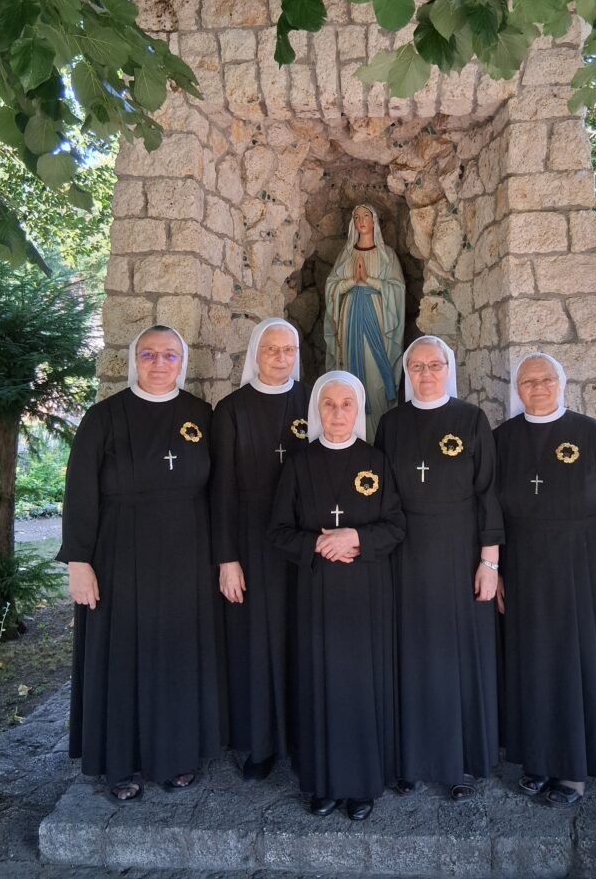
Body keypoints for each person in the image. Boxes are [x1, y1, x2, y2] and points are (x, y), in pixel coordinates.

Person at [57, 325, 223, 803]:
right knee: (122, 655)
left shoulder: (200, 415)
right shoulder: (104, 417)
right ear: (134, 360)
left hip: (188, 557)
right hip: (119, 557)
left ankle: (175, 756)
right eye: (148, 354)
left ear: (182, 362)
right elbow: (79, 492)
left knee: (177, 653)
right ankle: (120, 763)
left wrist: (222, 557)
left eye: (169, 355)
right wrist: (78, 562)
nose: (158, 363)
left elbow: (219, 489)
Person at [494, 352, 596, 807]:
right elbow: (488, 512)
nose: (538, 388)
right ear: (517, 389)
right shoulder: (502, 439)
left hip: (585, 570)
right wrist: (495, 568)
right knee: (532, 664)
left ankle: (574, 767)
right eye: (528, 381)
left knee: (574, 665)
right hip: (524, 570)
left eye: (547, 379)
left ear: (561, 384)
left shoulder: (590, 434)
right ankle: (537, 759)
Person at [269, 370, 405, 821]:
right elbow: (278, 530)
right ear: (317, 410)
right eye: (329, 404)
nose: (338, 413)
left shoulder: (377, 461)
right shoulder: (298, 464)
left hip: (366, 593)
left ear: (359, 410)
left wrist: (356, 538)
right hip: (316, 593)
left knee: (360, 686)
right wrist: (318, 544)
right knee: (320, 684)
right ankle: (323, 783)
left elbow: (396, 526)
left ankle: (362, 784)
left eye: (347, 404)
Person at [375, 336, 504, 800]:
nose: (425, 374)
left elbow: (488, 493)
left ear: (448, 369)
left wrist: (489, 561)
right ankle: (409, 762)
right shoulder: (390, 424)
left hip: (459, 553)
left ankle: (458, 763)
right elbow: (378, 492)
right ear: (406, 373)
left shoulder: (471, 419)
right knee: (408, 655)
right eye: (417, 366)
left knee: (455, 658)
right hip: (403, 555)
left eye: (434, 365)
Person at [210, 318, 309, 780]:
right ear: (255, 354)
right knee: (255, 640)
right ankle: (260, 743)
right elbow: (221, 490)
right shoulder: (231, 409)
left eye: (288, 350)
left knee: (301, 637)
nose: (281, 357)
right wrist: (226, 558)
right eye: (271, 349)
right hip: (251, 539)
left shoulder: (311, 399)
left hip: (304, 537)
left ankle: (304, 736)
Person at [324, 204, 405, 438]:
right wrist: (352, 282)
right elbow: (331, 287)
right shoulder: (346, 255)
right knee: (351, 371)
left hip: (378, 320)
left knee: (376, 375)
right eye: (356, 217)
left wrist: (369, 280)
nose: (361, 221)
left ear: (374, 221)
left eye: (365, 216)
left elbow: (397, 290)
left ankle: (379, 435)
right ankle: (352, 434)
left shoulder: (387, 255)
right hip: (350, 319)